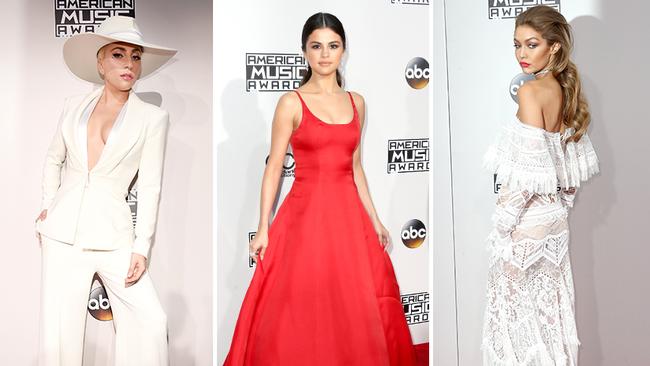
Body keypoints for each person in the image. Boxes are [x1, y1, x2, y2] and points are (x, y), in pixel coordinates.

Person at [224, 12, 417, 366]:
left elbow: (356, 166)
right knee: (302, 310)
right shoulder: (291, 102)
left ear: (344, 50)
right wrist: (263, 225)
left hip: (349, 219)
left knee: (352, 306)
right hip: (305, 218)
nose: (325, 55)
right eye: (316, 46)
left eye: (333, 46)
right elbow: (273, 169)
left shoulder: (357, 102)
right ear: (304, 52)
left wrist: (375, 220)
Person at [35, 15, 177, 366]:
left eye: (135, 56)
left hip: (115, 237)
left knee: (151, 321)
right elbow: (54, 159)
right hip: (62, 235)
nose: (129, 63)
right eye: (118, 54)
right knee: (58, 336)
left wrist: (141, 247)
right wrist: (48, 204)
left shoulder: (152, 118)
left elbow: (150, 185)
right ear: (100, 62)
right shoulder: (72, 107)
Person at [482, 6, 599, 366]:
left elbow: (522, 181)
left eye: (531, 44)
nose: (521, 54)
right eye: (517, 45)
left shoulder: (532, 94)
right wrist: (557, 214)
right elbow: (568, 179)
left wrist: (501, 231)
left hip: (524, 231)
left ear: (554, 47)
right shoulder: (564, 93)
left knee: (515, 330)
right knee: (551, 321)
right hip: (555, 229)